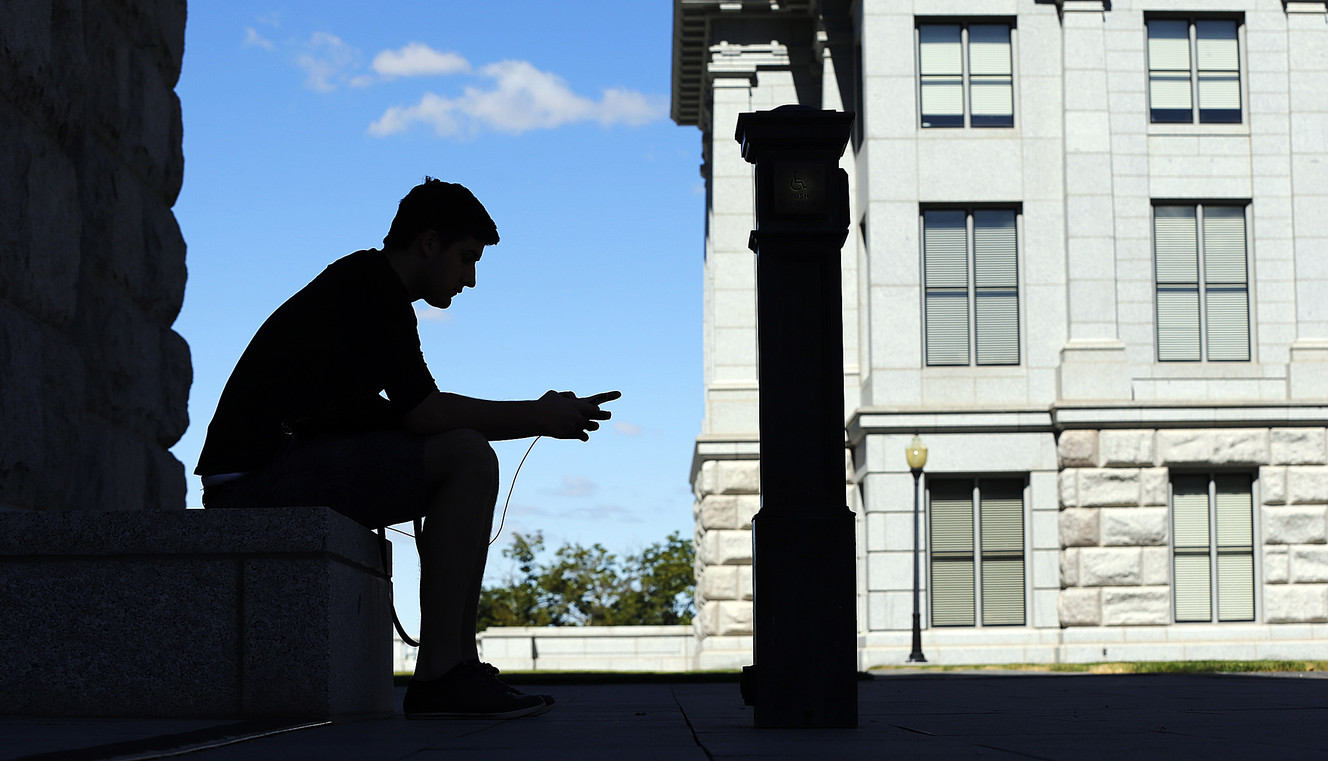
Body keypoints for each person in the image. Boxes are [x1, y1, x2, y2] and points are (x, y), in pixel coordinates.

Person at [196, 178, 619, 719]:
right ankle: (445, 673)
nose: (470, 278)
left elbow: (394, 413)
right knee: (465, 455)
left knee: (460, 449)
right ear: (428, 243)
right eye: (466, 258)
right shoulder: (371, 287)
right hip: (255, 481)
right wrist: (539, 414)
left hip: (268, 469)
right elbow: (426, 412)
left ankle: (457, 664)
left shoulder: (366, 285)